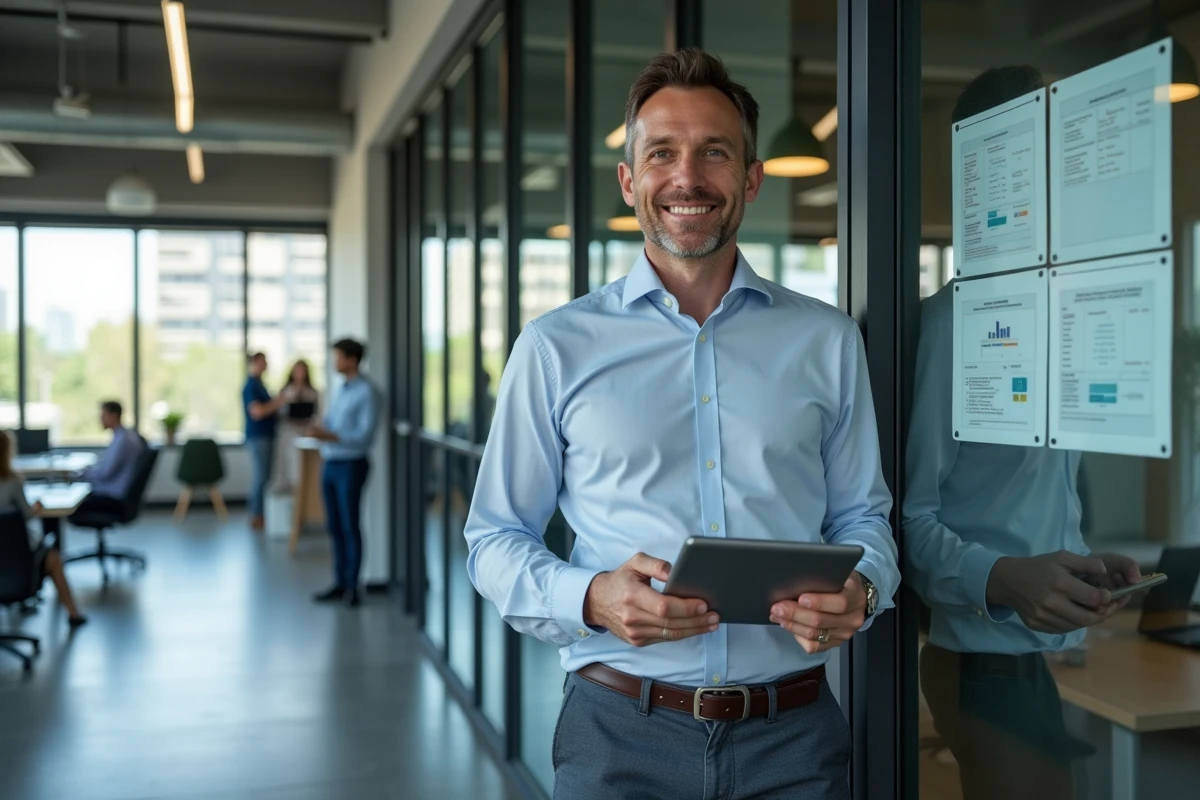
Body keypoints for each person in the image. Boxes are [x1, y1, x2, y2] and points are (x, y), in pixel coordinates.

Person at [465, 49, 899, 798]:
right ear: (630, 180)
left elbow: (864, 515)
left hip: (794, 741)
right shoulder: (555, 346)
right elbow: (493, 539)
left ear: (751, 179)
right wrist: (592, 595)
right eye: (661, 153)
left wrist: (862, 589)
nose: (687, 178)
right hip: (618, 735)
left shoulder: (827, 341)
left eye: (714, 153)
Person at [901, 65, 1141, 800]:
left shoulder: (1053, 321)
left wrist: (1072, 565)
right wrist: (1006, 577)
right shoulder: (955, 327)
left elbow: (1012, 503)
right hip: (980, 661)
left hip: (1037, 658)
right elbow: (908, 519)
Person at [307, 338, 381, 608]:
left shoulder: (368, 392)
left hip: (351, 464)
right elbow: (333, 422)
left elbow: (364, 435)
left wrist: (328, 434)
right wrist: (320, 426)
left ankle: (353, 586)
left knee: (350, 525)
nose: (335, 362)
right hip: (331, 463)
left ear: (352, 359)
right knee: (335, 526)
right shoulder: (341, 389)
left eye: (338, 357)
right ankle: (339, 582)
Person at [0, 431, 87, 626]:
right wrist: (37, 507)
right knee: (53, 557)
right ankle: (73, 614)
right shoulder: (12, 481)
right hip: (16, 561)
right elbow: (28, 514)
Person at [72, 400, 144, 516]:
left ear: (113, 416)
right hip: (118, 492)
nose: (100, 419)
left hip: (113, 496)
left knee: (70, 501)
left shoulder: (122, 440)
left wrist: (82, 474)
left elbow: (105, 473)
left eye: (103, 416)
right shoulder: (124, 436)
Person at [243, 352, 286, 531]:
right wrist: (278, 402)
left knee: (265, 476)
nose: (265, 365)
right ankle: (257, 514)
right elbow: (257, 412)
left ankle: (262, 513)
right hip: (258, 437)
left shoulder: (261, 385)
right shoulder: (251, 386)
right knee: (261, 477)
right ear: (254, 363)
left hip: (267, 436)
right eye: (262, 362)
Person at [271, 359, 320, 494]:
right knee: (288, 463)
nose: (299, 374)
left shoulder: (312, 392)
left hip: (306, 431)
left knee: (303, 464)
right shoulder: (286, 391)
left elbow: (316, 414)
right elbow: (279, 412)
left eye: (302, 371)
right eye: (297, 371)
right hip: (289, 431)